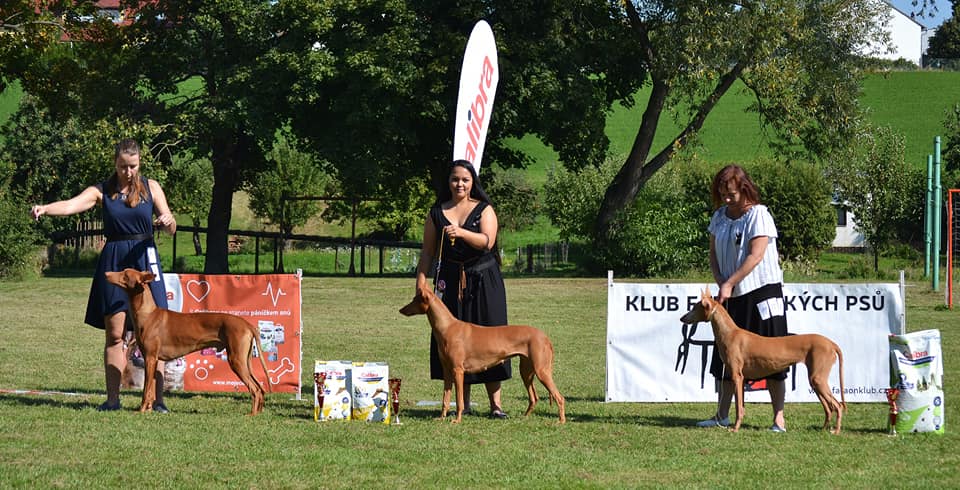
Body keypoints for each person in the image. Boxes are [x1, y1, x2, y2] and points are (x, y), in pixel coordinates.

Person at [31, 138, 177, 412]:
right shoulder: (102, 190)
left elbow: (170, 225)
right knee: (115, 333)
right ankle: (112, 400)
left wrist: (169, 221)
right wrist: (46, 208)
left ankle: (157, 401)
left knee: (155, 335)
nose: (128, 172)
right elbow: (72, 205)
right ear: (115, 163)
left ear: (139, 163)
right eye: (123, 166)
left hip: (145, 259)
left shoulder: (152, 187)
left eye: (133, 166)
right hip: (114, 258)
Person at [414, 159, 511, 419]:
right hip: (449, 279)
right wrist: (421, 280)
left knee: (492, 337)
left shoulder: (484, 209)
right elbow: (428, 252)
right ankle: (462, 404)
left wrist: (462, 233)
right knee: (453, 341)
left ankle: (496, 405)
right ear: (448, 182)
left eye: (465, 180)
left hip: (483, 279)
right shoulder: (436, 212)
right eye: (455, 179)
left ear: (472, 183)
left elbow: (487, 241)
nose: (460, 184)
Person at [697, 164, 789, 432]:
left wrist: (730, 282)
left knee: (773, 357)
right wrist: (720, 280)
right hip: (729, 295)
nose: (726, 199)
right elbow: (713, 253)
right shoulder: (719, 217)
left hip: (761, 294)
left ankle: (778, 418)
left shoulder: (759, 215)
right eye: (722, 194)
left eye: (732, 195)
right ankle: (722, 415)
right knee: (726, 359)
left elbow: (756, 255)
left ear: (744, 190)